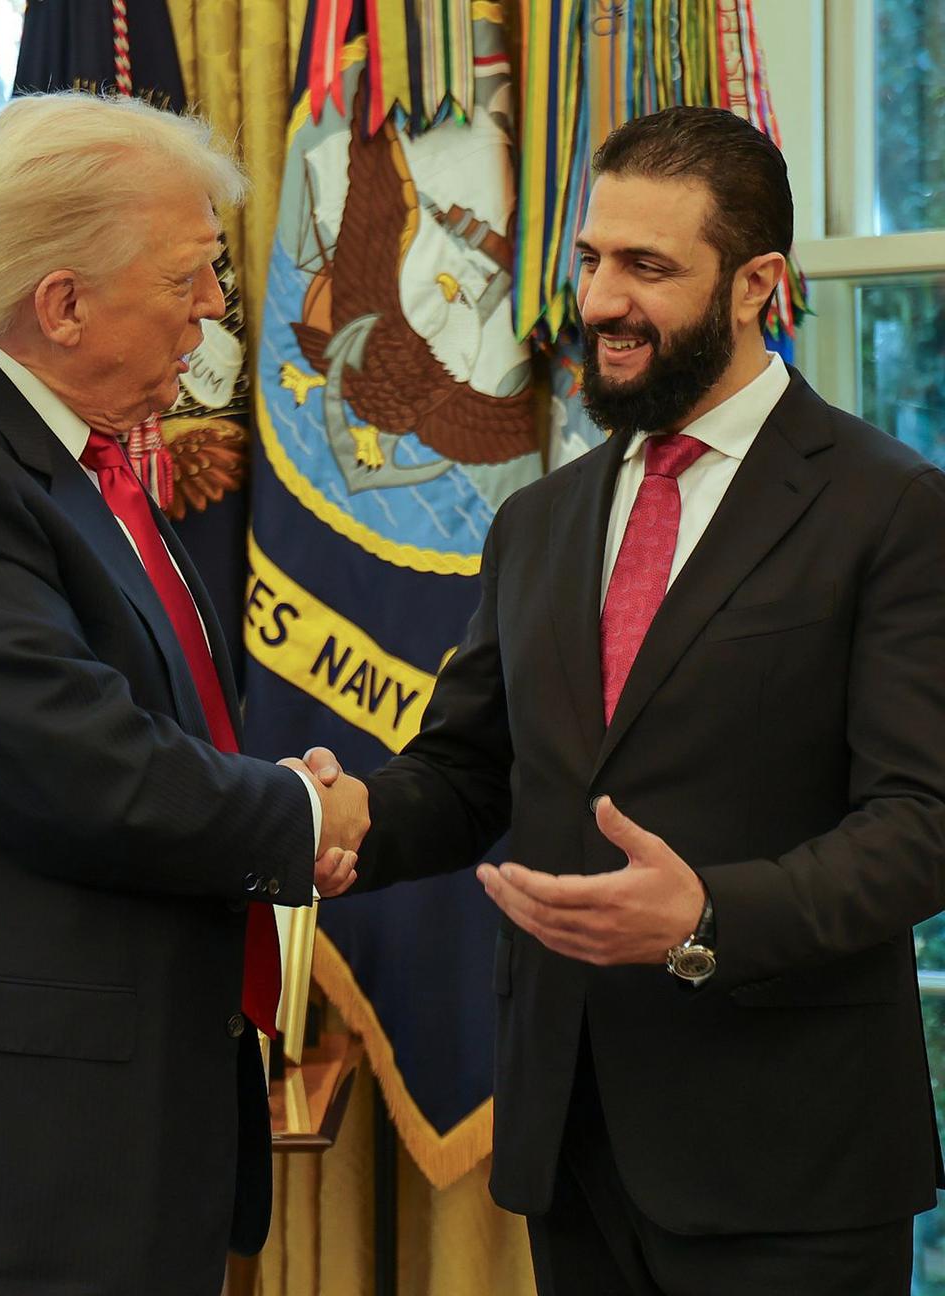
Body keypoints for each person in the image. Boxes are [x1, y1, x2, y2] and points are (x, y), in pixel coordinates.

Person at [296, 105, 945, 1295]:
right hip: (571, 1137)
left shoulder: (892, 510)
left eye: (648, 267)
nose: (599, 302)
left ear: (757, 284)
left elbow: (922, 823)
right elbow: (466, 774)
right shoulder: (538, 521)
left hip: (789, 1160)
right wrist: (348, 824)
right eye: (591, 259)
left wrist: (706, 919)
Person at [0, 92, 367, 1296]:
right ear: (62, 304)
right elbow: (80, 770)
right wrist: (301, 817)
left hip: (92, 1120)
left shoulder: (69, 458)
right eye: (190, 277)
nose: (215, 308)